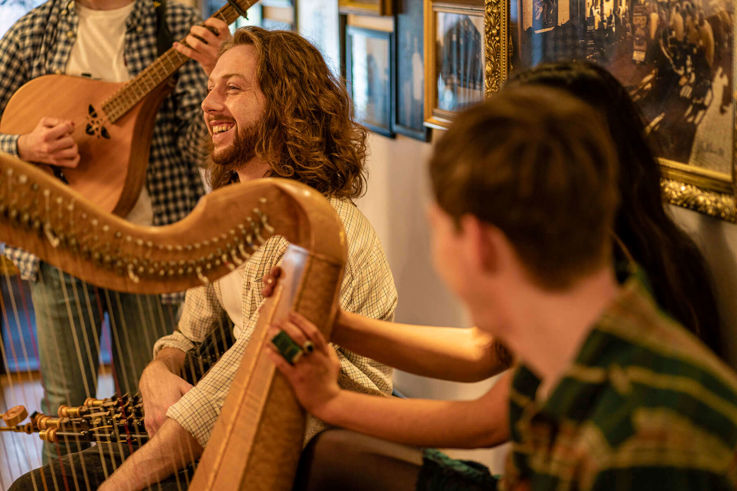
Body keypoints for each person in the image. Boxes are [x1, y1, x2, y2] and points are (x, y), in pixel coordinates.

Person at [270, 85, 737, 490]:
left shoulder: (642, 443)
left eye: (437, 231)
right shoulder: (584, 331)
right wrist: (333, 346)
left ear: (478, 244)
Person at [11, 26, 397, 491]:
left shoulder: (316, 232)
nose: (207, 103)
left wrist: (119, 484)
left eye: (232, 88)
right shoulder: (233, 214)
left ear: (286, 105)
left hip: (301, 440)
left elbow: (252, 377)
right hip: (234, 420)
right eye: (210, 86)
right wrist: (158, 369)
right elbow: (188, 335)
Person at [0, 0, 232, 463]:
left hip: (150, 249)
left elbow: (199, 146)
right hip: (58, 245)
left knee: (151, 403)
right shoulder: (33, 32)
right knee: (63, 410)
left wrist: (216, 73)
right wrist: (23, 145)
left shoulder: (175, 22)